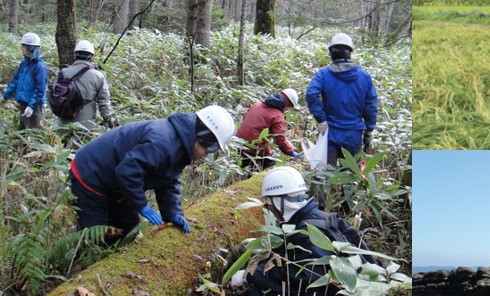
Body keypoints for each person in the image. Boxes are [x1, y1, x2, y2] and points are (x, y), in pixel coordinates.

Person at [69, 105, 235, 243]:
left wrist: (173, 214)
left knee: (128, 228)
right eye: (207, 150)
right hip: (91, 175)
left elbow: (167, 181)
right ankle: (79, 272)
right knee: (93, 237)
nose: (206, 156)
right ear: (201, 138)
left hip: (116, 184)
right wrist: (141, 205)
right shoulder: (162, 142)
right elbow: (128, 172)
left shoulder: (182, 145)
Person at [238, 166, 371, 296]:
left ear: (279, 203)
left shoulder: (307, 232)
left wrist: (249, 275)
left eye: (269, 205)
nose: (269, 210)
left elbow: (295, 279)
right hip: (340, 289)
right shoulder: (314, 218)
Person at [305, 33, 378, 165]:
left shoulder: (323, 74)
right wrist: (369, 129)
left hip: (330, 133)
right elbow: (371, 104)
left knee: (327, 175)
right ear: (349, 53)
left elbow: (311, 95)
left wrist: (321, 119)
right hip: (353, 135)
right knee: (350, 176)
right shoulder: (364, 76)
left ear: (331, 53)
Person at [53, 40, 116, 130]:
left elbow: (54, 95)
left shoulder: (63, 73)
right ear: (91, 57)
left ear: (75, 55)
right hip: (86, 124)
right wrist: (107, 119)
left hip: (63, 122)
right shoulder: (98, 76)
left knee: (64, 143)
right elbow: (104, 102)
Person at [235, 88, 303, 170]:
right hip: (253, 150)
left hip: (237, 144)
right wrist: (291, 152)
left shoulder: (257, 104)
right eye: (288, 108)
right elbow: (279, 139)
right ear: (287, 105)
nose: (286, 110)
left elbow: (246, 119)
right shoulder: (277, 116)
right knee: (269, 164)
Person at [2, 32, 48, 129]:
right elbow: (15, 81)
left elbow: (40, 89)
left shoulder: (40, 67)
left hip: (35, 108)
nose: (22, 48)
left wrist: (31, 106)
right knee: (23, 134)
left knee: (35, 135)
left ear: (29, 48)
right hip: (23, 105)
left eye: (23, 46)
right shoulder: (24, 64)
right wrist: (5, 97)